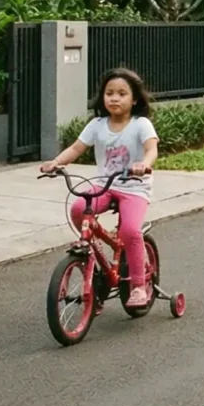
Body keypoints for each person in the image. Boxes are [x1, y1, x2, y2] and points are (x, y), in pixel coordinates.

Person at [40, 68, 160, 308]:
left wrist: (144, 165)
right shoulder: (97, 125)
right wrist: (56, 162)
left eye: (122, 94)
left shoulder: (141, 124)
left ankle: (137, 286)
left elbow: (151, 149)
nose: (114, 98)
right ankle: (97, 256)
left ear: (134, 99)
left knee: (130, 231)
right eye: (109, 93)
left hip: (134, 188)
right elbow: (76, 148)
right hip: (105, 185)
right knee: (78, 209)